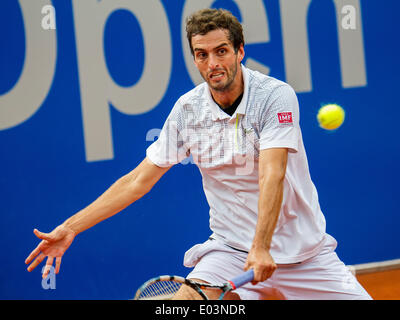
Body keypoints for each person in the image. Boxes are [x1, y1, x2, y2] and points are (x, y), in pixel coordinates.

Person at [25, 8, 371, 300]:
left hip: (305, 255)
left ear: (240, 51)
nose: (212, 63)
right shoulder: (188, 110)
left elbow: (272, 174)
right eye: (202, 55)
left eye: (221, 51)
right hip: (231, 251)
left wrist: (262, 246)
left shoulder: (275, 96)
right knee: (184, 303)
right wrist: (71, 227)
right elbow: (137, 181)